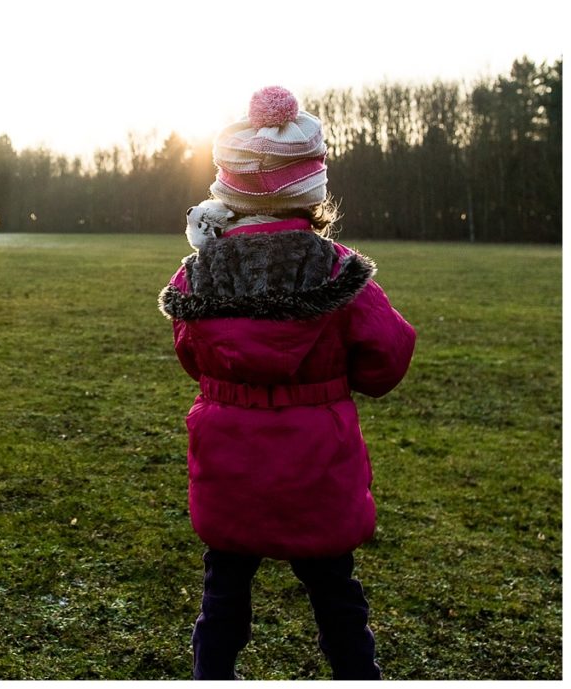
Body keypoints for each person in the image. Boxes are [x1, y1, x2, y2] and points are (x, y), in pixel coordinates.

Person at [158, 86, 416, 680]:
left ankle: (211, 675)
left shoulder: (198, 273)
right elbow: (389, 356)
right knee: (336, 600)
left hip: (230, 458)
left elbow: (191, 356)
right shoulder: (338, 270)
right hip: (318, 460)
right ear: (311, 189)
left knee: (223, 597)